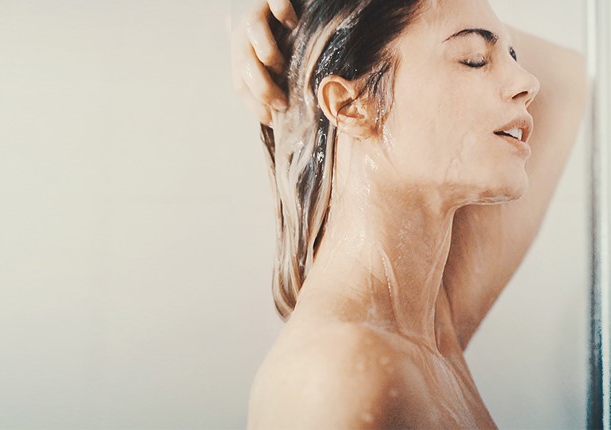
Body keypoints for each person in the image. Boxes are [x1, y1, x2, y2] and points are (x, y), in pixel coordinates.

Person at [231, 0, 586, 427]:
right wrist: (315, 28)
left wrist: (314, 25)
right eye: (474, 59)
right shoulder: (341, 373)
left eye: (513, 57)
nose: (528, 82)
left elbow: (566, 80)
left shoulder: (431, 325)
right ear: (350, 105)